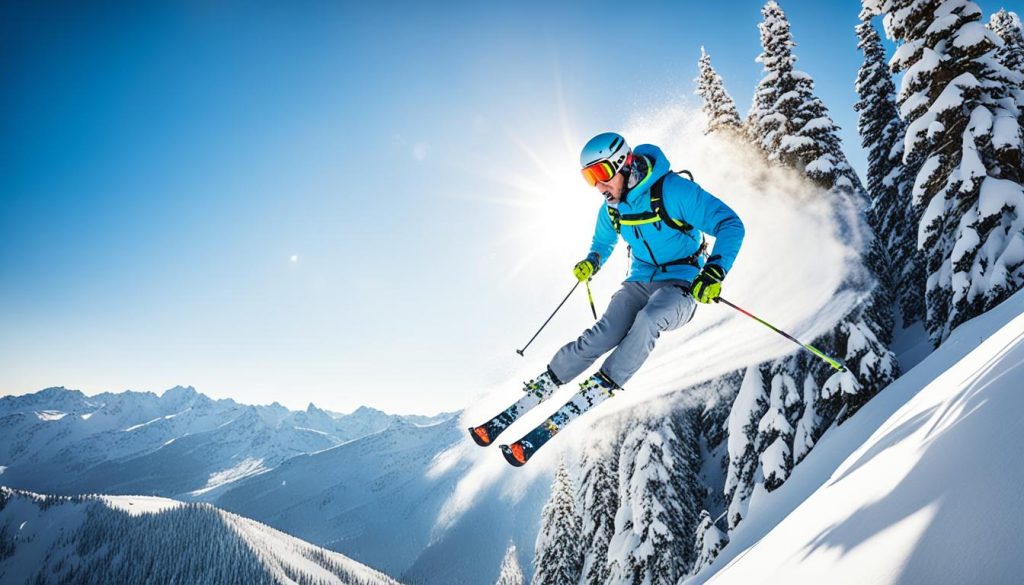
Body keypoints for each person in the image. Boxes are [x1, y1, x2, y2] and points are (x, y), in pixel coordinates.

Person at [471, 132, 745, 465]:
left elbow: (730, 224)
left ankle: (605, 382)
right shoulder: (612, 208)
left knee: (649, 319)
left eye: (600, 174)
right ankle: (549, 381)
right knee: (604, 333)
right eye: (588, 178)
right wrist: (593, 260)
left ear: (624, 164)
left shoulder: (672, 191)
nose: (597, 186)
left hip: (684, 283)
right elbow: (603, 243)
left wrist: (714, 271)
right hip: (641, 279)